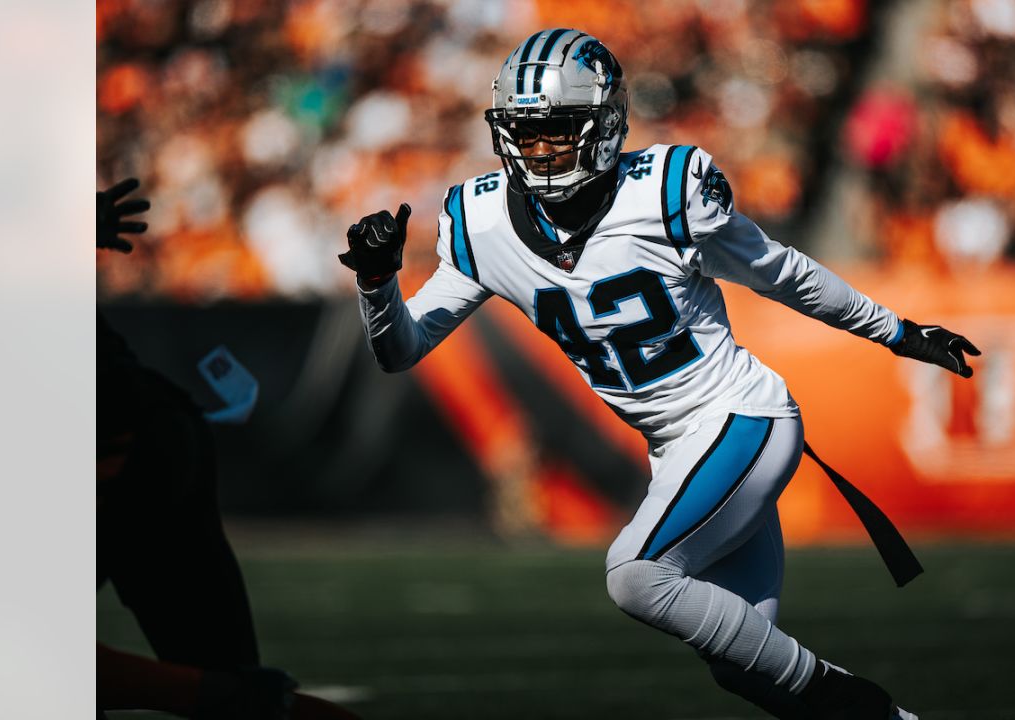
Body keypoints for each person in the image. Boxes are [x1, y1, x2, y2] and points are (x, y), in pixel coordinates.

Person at [339, 29, 979, 720]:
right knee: (746, 669)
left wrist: (896, 331)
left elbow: (781, 274)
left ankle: (849, 699)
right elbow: (400, 349)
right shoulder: (480, 222)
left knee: (636, 574)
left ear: (604, 126)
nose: (537, 148)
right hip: (677, 453)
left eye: (555, 130)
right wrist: (378, 282)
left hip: (742, 420)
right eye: (523, 131)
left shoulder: (668, 191)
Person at [98, 178, 359, 720]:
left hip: (106, 429)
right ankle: (239, 698)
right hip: (141, 420)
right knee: (234, 691)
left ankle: (232, 697)